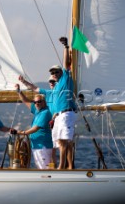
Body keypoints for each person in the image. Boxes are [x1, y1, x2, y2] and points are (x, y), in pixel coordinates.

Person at [50, 37, 77, 169]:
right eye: (52, 72)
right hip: (60, 115)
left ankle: (62, 166)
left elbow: (66, 64)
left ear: (61, 72)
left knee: (63, 141)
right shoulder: (56, 86)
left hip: (66, 114)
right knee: (65, 142)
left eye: (56, 71)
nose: (54, 74)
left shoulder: (65, 78)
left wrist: (66, 47)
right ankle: (70, 166)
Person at [18, 75, 57, 164]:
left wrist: (23, 133)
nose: (36, 103)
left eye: (39, 102)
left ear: (44, 102)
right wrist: (19, 91)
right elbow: (26, 100)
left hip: (43, 145)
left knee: (45, 169)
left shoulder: (45, 112)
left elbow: (36, 128)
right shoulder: (37, 111)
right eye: (35, 102)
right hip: (37, 145)